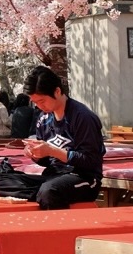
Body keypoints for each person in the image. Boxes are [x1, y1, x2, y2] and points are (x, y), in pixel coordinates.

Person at [23, 65, 105, 210]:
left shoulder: (82, 117)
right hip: (54, 175)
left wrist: (52, 151)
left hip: (84, 177)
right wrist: (35, 154)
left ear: (57, 91)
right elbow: (47, 162)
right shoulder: (43, 119)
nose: (39, 106)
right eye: (35, 103)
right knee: (6, 182)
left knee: (49, 191)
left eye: (42, 101)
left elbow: (91, 160)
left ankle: (58, 230)